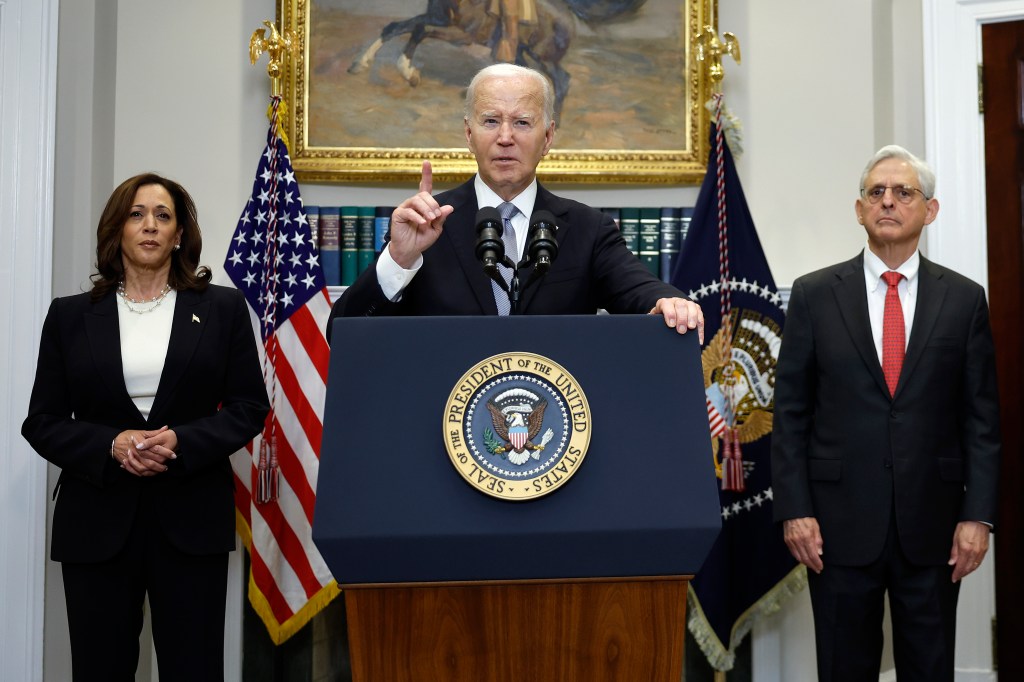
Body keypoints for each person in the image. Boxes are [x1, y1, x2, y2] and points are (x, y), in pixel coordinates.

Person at [22, 173, 270, 681]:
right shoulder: (70, 317)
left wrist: (182, 440)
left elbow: (249, 407)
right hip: (96, 519)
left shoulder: (220, 309)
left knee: (194, 668)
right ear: (118, 229)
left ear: (179, 234)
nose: (150, 225)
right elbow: (41, 422)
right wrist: (110, 444)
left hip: (191, 516)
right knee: (100, 668)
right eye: (137, 214)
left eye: (163, 215)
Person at [771, 145, 1001, 681]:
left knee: (929, 668)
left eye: (904, 192)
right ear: (859, 210)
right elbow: (791, 415)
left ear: (930, 210)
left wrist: (978, 517)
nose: (888, 201)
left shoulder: (965, 300)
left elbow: (982, 421)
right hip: (835, 527)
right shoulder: (813, 295)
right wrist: (795, 509)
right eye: (876, 192)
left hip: (936, 528)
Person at [327, 63, 703, 340]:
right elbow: (342, 331)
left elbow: (641, 291)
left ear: (548, 137)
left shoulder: (588, 229)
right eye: (491, 121)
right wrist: (399, 259)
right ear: (469, 134)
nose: (505, 137)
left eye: (522, 122)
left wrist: (671, 303)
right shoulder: (426, 224)